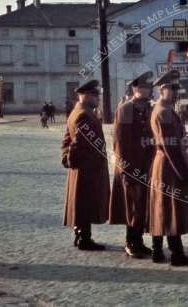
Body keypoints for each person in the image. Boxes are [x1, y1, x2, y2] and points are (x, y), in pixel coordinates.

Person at [148, 70, 188, 266]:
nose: (176, 92)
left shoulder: (163, 109)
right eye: (172, 89)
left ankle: (157, 250)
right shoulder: (164, 112)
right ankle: (176, 254)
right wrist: (183, 173)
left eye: (177, 88)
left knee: (161, 206)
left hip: (163, 163)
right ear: (161, 90)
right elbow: (171, 147)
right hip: (169, 165)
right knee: (172, 208)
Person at [109, 72, 156, 259]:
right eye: (143, 87)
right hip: (131, 165)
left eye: (149, 87)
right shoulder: (127, 109)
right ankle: (130, 242)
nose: (147, 90)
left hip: (145, 165)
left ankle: (139, 239)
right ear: (135, 88)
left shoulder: (147, 108)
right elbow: (119, 141)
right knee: (133, 205)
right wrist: (125, 168)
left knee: (142, 204)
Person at [62, 80, 110, 251]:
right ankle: (84, 238)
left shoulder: (79, 112)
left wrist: (67, 158)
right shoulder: (83, 114)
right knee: (85, 202)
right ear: (85, 96)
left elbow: (67, 139)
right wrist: (73, 160)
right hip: (86, 168)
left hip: (82, 167)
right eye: (95, 96)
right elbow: (79, 142)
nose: (98, 99)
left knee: (81, 201)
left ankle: (79, 235)